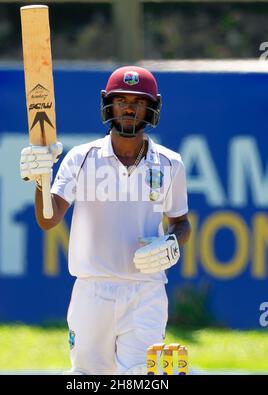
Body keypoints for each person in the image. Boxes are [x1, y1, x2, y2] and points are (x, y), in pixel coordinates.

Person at [20, 65, 191, 375]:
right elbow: (48, 220)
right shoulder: (81, 158)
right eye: (121, 99)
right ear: (108, 104)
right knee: (87, 378)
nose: (128, 107)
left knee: (142, 377)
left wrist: (172, 240)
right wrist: (40, 179)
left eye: (138, 101)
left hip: (146, 291)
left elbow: (181, 222)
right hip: (92, 290)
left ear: (151, 108)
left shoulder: (170, 163)